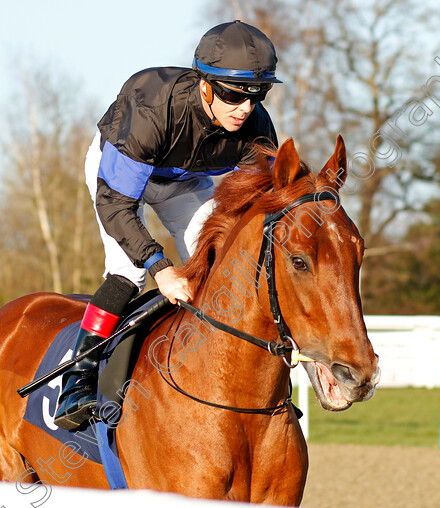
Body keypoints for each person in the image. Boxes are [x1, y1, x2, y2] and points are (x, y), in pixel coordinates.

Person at [54, 20, 281, 430]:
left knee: (225, 261)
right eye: (232, 94)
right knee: (130, 270)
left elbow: (263, 206)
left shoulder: (258, 129)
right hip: (119, 177)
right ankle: (78, 378)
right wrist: (162, 268)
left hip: (183, 180)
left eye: (256, 95)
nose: (244, 109)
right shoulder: (152, 108)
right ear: (204, 85)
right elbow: (117, 204)